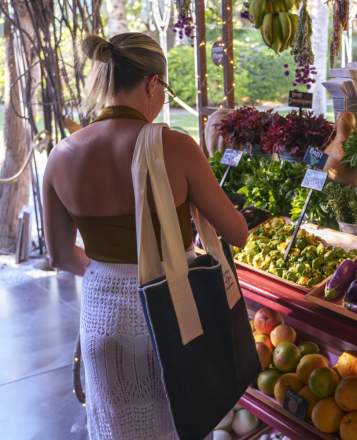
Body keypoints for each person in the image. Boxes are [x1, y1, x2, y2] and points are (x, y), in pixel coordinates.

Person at [43, 32, 248, 439]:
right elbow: (236, 233)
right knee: (178, 424)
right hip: (173, 318)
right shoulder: (174, 147)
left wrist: (114, 272)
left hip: (103, 320)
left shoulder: (60, 155)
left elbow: (61, 256)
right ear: (153, 83)